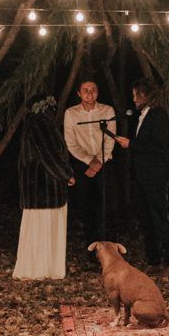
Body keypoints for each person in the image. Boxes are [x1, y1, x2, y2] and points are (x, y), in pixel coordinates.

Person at [113, 78, 169, 267]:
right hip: (143, 175)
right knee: (146, 217)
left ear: (144, 95)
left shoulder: (158, 115)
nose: (133, 99)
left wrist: (131, 144)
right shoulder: (144, 114)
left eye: (135, 95)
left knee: (159, 216)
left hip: (155, 175)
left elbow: (157, 145)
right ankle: (154, 258)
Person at [13, 100, 74, 280]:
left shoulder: (33, 124)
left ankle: (42, 268)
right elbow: (49, 155)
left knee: (42, 228)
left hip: (38, 187)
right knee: (44, 228)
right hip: (45, 188)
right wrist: (66, 174)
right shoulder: (40, 124)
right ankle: (40, 269)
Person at [63, 78, 116, 256]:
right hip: (82, 164)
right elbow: (70, 143)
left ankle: (110, 249)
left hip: (105, 163)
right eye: (85, 90)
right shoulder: (71, 113)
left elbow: (111, 138)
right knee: (87, 207)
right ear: (79, 93)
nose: (89, 93)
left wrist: (99, 161)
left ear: (98, 92)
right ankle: (92, 250)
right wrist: (89, 161)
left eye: (93, 89)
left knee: (106, 206)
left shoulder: (107, 111)